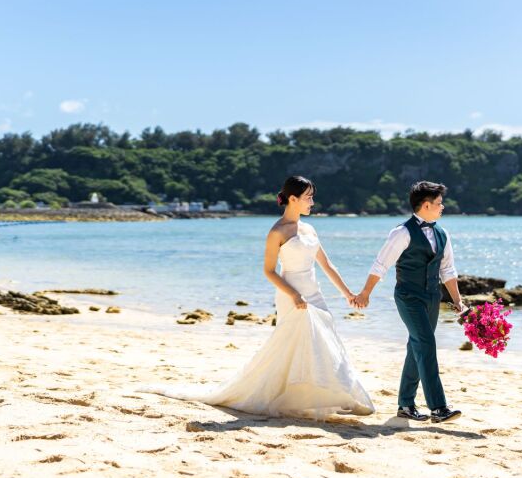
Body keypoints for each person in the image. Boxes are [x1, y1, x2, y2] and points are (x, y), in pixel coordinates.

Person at [139, 176, 374, 419]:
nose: (312, 202)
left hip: (315, 294)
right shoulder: (277, 231)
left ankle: (338, 396)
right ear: (293, 199)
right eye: (308, 197)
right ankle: (294, 396)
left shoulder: (310, 229)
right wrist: (294, 294)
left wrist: (348, 294)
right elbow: (269, 271)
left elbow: (327, 265)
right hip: (291, 294)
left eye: (312, 197)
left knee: (325, 342)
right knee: (295, 346)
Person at [354, 181, 463, 423]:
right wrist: (365, 293)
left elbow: (448, 270)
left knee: (416, 347)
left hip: (432, 297)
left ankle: (405, 405)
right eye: (439, 203)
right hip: (408, 296)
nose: (442, 207)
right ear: (426, 205)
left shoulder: (443, 234)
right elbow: (381, 265)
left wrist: (458, 301)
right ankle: (439, 408)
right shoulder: (401, 233)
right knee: (426, 343)